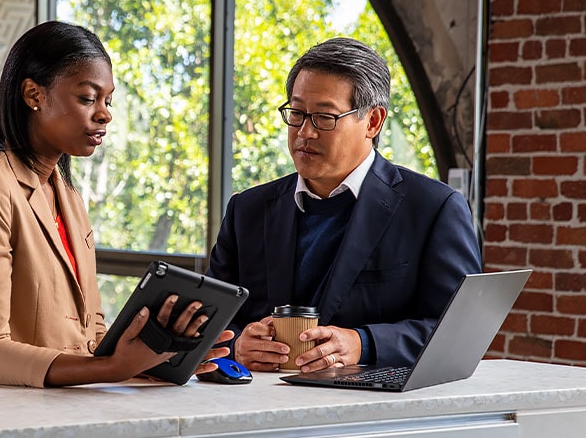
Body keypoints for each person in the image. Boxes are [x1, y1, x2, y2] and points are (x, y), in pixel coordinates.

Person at [0, 21, 232, 387]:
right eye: (87, 98)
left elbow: (90, 336)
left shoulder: (69, 196)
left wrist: (160, 357)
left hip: (66, 410)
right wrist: (115, 369)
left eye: (107, 101)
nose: (105, 114)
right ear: (33, 94)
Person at [206, 37, 482, 373]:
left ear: (373, 122)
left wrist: (363, 343)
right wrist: (236, 345)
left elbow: (460, 334)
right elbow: (206, 321)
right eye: (297, 113)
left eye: (324, 117)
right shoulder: (247, 210)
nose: (304, 132)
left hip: (368, 403)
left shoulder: (433, 209)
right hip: (256, 400)